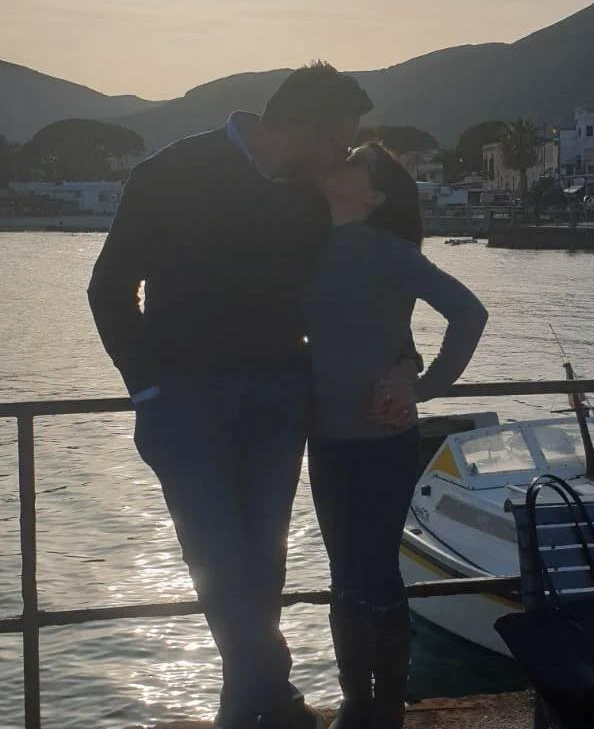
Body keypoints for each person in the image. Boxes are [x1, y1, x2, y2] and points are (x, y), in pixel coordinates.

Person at [88, 63, 413, 729]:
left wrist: (405, 363)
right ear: (307, 129)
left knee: (262, 563)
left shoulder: (309, 197)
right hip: (182, 401)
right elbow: (109, 288)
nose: (343, 156)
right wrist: (147, 390)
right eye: (339, 141)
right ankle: (269, 695)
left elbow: (364, 289)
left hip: (279, 398)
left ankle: (256, 707)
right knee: (216, 557)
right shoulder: (168, 173)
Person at [305, 144, 488, 728]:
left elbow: (469, 313)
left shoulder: (390, 252)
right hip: (324, 438)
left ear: (373, 196)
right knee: (342, 573)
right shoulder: (302, 247)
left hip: (383, 439)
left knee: (377, 570)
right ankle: (355, 700)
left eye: (355, 163)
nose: (339, 161)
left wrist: (425, 385)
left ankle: (385, 705)